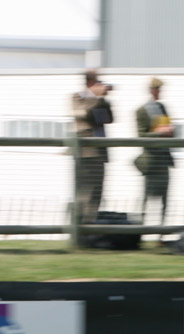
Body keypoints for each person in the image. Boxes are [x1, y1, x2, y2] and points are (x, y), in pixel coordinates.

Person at [71, 70, 114, 224]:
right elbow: (84, 114)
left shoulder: (99, 100)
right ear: (89, 83)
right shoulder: (78, 97)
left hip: (100, 152)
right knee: (84, 192)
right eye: (97, 81)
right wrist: (93, 96)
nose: (100, 84)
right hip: (85, 152)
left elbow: (109, 118)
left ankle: (92, 227)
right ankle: (80, 228)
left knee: (97, 193)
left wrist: (102, 98)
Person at [135, 77, 174, 224]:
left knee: (165, 198)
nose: (159, 92)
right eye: (157, 89)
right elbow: (141, 135)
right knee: (147, 195)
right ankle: (141, 228)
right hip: (151, 161)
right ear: (151, 90)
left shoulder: (163, 108)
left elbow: (169, 129)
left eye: (160, 89)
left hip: (164, 158)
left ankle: (161, 232)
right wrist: (160, 133)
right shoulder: (141, 111)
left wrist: (169, 131)